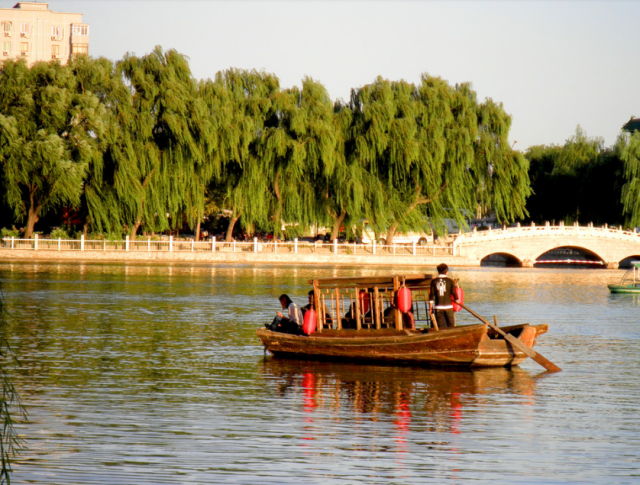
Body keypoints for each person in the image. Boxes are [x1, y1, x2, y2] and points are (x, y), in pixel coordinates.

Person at [429, 263, 458, 329]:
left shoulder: (434, 281)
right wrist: (457, 300)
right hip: (449, 308)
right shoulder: (450, 281)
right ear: (447, 272)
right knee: (451, 328)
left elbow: (431, 296)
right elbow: (454, 293)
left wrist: (430, 308)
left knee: (442, 328)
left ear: (438, 271)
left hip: (438, 308)